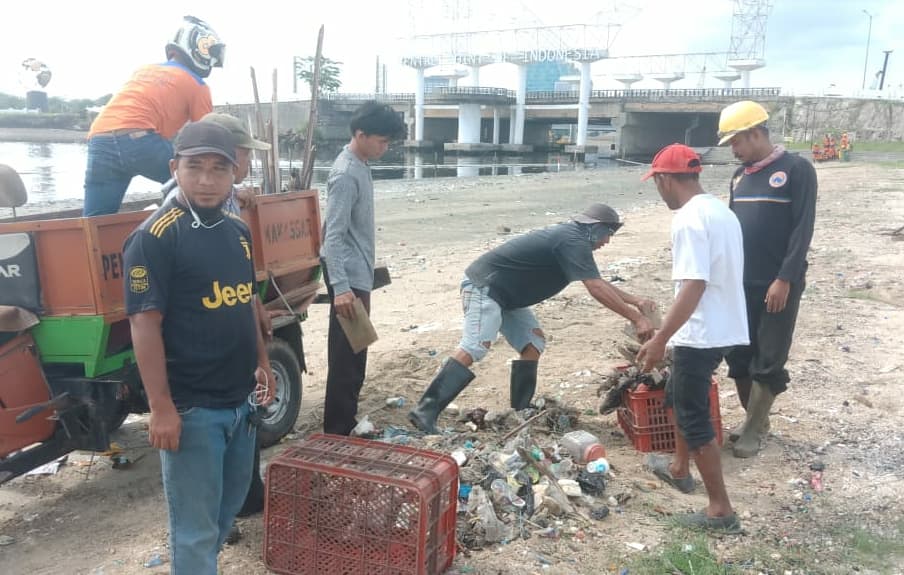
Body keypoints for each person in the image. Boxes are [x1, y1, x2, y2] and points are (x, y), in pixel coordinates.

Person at [123, 121, 274, 574]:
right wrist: (161, 406)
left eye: (218, 169)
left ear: (235, 173)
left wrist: (263, 362)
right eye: (195, 168)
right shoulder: (155, 237)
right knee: (194, 531)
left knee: (225, 515)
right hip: (193, 411)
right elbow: (144, 324)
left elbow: (245, 300)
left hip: (241, 404)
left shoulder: (237, 232)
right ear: (175, 168)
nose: (206, 180)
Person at [408, 204, 657, 434]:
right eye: (607, 233)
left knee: (533, 344)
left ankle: (520, 411)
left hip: (508, 297)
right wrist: (637, 318)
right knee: (476, 345)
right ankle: (425, 411)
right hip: (485, 287)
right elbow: (595, 288)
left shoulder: (573, 240)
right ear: (595, 228)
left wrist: (635, 301)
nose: (607, 241)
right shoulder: (572, 240)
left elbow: (598, 282)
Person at [636, 143, 748, 532]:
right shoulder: (720, 210)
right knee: (678, 396)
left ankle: (721, 510)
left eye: (657, 182)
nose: (658, 189)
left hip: (701, 331)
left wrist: (660, 337)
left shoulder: (687, 218)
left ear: (666, 179)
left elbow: (694, 285)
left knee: (693, 415)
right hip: (724, 324)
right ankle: (680, 468)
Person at [716, 101, 817, 458]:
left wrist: (785, 278)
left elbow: (802, 230)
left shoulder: (796, 170)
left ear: (755, 133)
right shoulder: (740, 177)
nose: (733, 148)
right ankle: (754, 420)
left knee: (769, 357)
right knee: (739, 354)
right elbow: (731, 229)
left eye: (736, 141)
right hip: (740, 282)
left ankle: (753, 431)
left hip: (776, 283)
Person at [320, 101, 407, 435]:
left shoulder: (361, 164)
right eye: (382, 141)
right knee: (345, 361)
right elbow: (333, 238)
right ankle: (337, 432)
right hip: (348, 281)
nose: (385, 148)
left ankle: (346, 423)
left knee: (356, 355)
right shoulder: (344, 174)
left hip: (358, 276)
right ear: (361, 134)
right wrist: (340, 288)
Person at [83, 16, 225, 216]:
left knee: (95, 220)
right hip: (140, 140)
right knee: (201, 183)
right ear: (199, 48)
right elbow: (208, 138)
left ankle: (91, 247)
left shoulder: (143, 70)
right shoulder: (197, 85)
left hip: (99, 139)